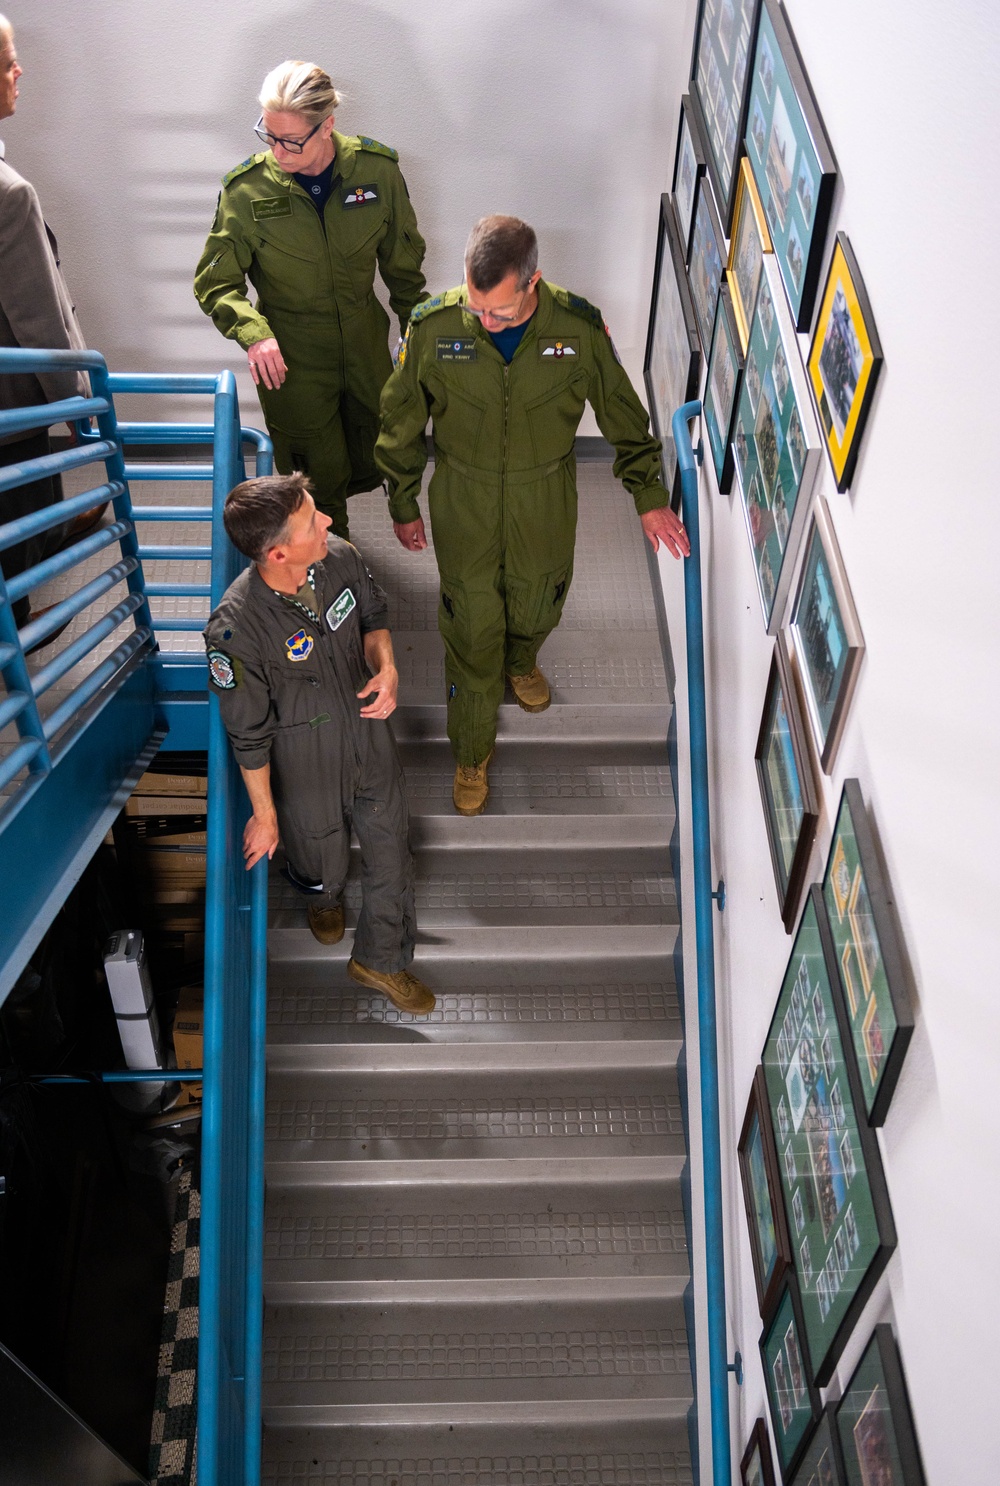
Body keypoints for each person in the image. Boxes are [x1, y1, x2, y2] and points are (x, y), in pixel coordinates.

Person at [376, 214, 691, 816]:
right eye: (475, 306)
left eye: (497, 311)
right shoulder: (435, 327)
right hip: (463, 496)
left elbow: (625, 417)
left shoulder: (576, 329)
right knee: (470, 625)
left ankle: (521, 660)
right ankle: (472, 753)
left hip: (544, 496)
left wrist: (649, 498)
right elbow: (400, 421)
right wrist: (402, 500)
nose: (484, 321)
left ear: (532, 283)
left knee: (539, 599)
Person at [203, 471, 434, 1015]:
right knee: (317, 855)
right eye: (312, 519)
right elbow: (247, 730)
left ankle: (380, 960)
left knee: (391, 853)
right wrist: (264, 813)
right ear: (278, 554)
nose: (328, 521)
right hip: (302, 760)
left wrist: (389, 669)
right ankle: (322, 897)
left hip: (367, 732)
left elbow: (373, 618)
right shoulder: (234, 631)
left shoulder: (341, 558)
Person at [194, 60, 428, 540]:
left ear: (328, 127)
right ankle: (330, 564)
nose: (278, 151)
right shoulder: (246, 192)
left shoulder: (377, 172)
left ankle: (397, 523)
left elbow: (404, 270)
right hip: (293, 358)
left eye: (292, 140)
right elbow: (214, 282)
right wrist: (254, 335)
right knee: (314, 477)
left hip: (365, 345)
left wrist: (418, 332)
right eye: (269, 136)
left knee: (387, 444)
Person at [0, 13, 102, 637]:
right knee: (20, 523)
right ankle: (20, 633)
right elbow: (41, 320)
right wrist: (84, 409)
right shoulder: (10, 194)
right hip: (11, 417)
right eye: (8, 62)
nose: (20, 71)